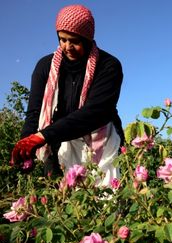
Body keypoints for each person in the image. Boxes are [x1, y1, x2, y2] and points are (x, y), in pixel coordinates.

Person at [11, 4, 124, 187]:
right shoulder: (45, 67)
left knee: (104, 204)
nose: (67, 47)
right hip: (56, 147)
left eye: (75, 41)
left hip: (100, 144)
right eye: (62, 39)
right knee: (64, 205)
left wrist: (42, 136)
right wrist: (26, 145)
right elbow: (34, 112)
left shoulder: (108, 66)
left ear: (87, 39)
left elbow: (96, 112)